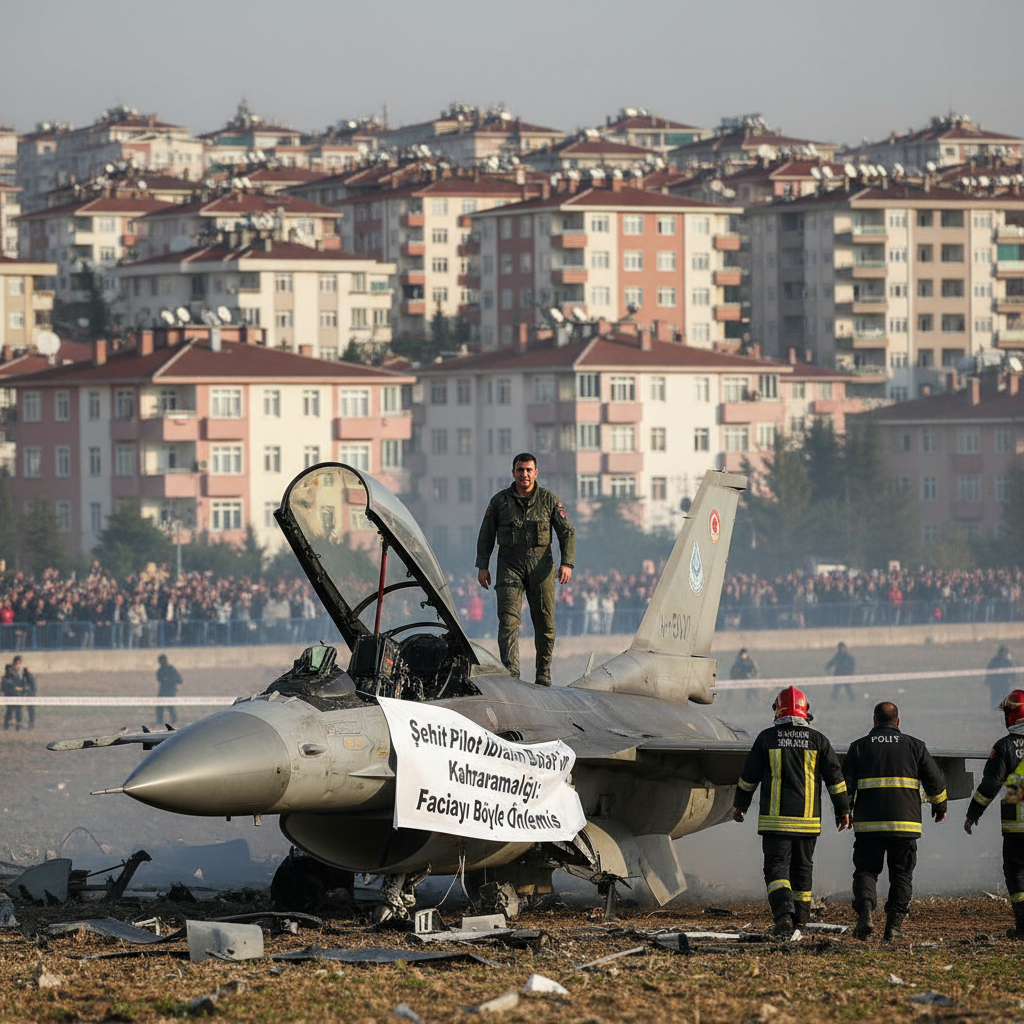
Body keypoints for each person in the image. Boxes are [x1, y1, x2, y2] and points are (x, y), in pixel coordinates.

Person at [731, 686, 850, 935]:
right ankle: (801, 921)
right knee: (802, 871)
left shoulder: (766, 738)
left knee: (776, 870)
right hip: (807, 824)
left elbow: (748, 778)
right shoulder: (819, 740)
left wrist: (740, 805)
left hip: (776, 824)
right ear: (805, 711)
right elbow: (836, 780)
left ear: (778, 710)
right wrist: (843, 810)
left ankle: (783, 915)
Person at [843, 701, 947, 942]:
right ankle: (893, 928)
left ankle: (866, 913)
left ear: (874, 720)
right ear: (898, 722)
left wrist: (845, 812)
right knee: (901, 875)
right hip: (905, 826)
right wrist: (939, 806)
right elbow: (936, 781)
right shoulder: (915, 746)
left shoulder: (858, 747)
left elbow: (845, 787)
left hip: (869, 826)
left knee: (866, 871)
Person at [476, 452, 575, 687]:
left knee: (545, 622)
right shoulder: (500, 501)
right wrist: (483, 566)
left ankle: (543, 673)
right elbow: (486, 535)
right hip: (509, 566)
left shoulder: (550, 500)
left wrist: (567, 563)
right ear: (513, 473)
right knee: (508, 621)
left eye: (529, 470)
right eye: (520, 470)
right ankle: (511, 674)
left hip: (541, 567)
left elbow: (567, 532)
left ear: (536, 473)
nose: (524, 474)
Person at [964, 689, 1024, 938]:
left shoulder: (1005, 747)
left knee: (1017, 872)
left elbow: (990, 786)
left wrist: (972, 814)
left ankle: (1023, 926)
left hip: (1018, 825)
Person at [2, 656, 35, 731]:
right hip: (10, 695)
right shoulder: (9, 673)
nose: (18, 665)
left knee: (18, 711)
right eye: (17, 663)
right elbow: (7, 684)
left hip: (18, 695)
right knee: (9, 710)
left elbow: (23, 683)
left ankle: (18, 726)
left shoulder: (21, 673)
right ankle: (6, 726)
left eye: (20, 664)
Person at [155, 653, 183, 725]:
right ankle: (159, 721)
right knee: (159, 706)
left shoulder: (172, 669)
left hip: (171, 691)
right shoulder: (160, 670)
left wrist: (169, 679)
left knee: (170, 706)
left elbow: (179, 680)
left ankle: (174, 720)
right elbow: (159, 679)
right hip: (162, 691)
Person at [986, 646, 1016, 710]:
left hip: (1004, 684)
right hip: (996, 684)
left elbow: (1012, 673)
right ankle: (994, 712)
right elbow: (989, 671)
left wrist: (1013, 680)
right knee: (995, 698)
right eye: (1006, 652)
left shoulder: (1007, 662)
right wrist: (988, 680)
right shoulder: (995, 661)